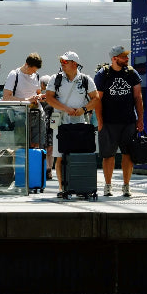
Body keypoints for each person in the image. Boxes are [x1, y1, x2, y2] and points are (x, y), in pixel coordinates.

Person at [45, 51, 99, 196]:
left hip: (79, 121)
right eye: (61, 61)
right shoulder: (55, 79)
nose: (62, 63)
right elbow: (49, 98)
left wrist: (84, 109)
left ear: (74, 64)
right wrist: (66, 109)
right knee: (60, 155)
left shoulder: (86, 80)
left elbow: (96, 98)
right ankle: (62, 188)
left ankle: (80, 186)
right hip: (60, 120)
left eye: (65, 61)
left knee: (79, 154)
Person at [95, 45, 143, 198]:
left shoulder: (131, 73)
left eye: (126, 56)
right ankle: (108, 186)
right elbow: (98, 99)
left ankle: (126, 186)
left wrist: (140, 119)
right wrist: (100, 121)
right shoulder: (103, 74)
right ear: (114, 58)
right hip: (108, 122)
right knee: (108, 155)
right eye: (123, 56)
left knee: (128, 154)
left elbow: (138, 97)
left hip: (128, 121)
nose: (127, 59)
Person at [2, 52, 44, 149]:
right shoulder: (14, 75)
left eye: (35, 71)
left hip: (37, 113)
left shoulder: (36, 76)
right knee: (21, 147)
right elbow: (6, 97)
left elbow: (38, 92)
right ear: (26, 65)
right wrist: (27, 100)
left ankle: (35, 164)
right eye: (32, 70)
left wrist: (40, 96)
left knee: (37, 146)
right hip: (21, 115)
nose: (33, 73)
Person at [40, 75, 55, 179]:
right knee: (45, 149)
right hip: (42, 126)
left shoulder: (53, 97)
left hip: (50, 126)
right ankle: (45, 169)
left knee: (50, 149)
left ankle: (49, 170)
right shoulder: (38, 96)